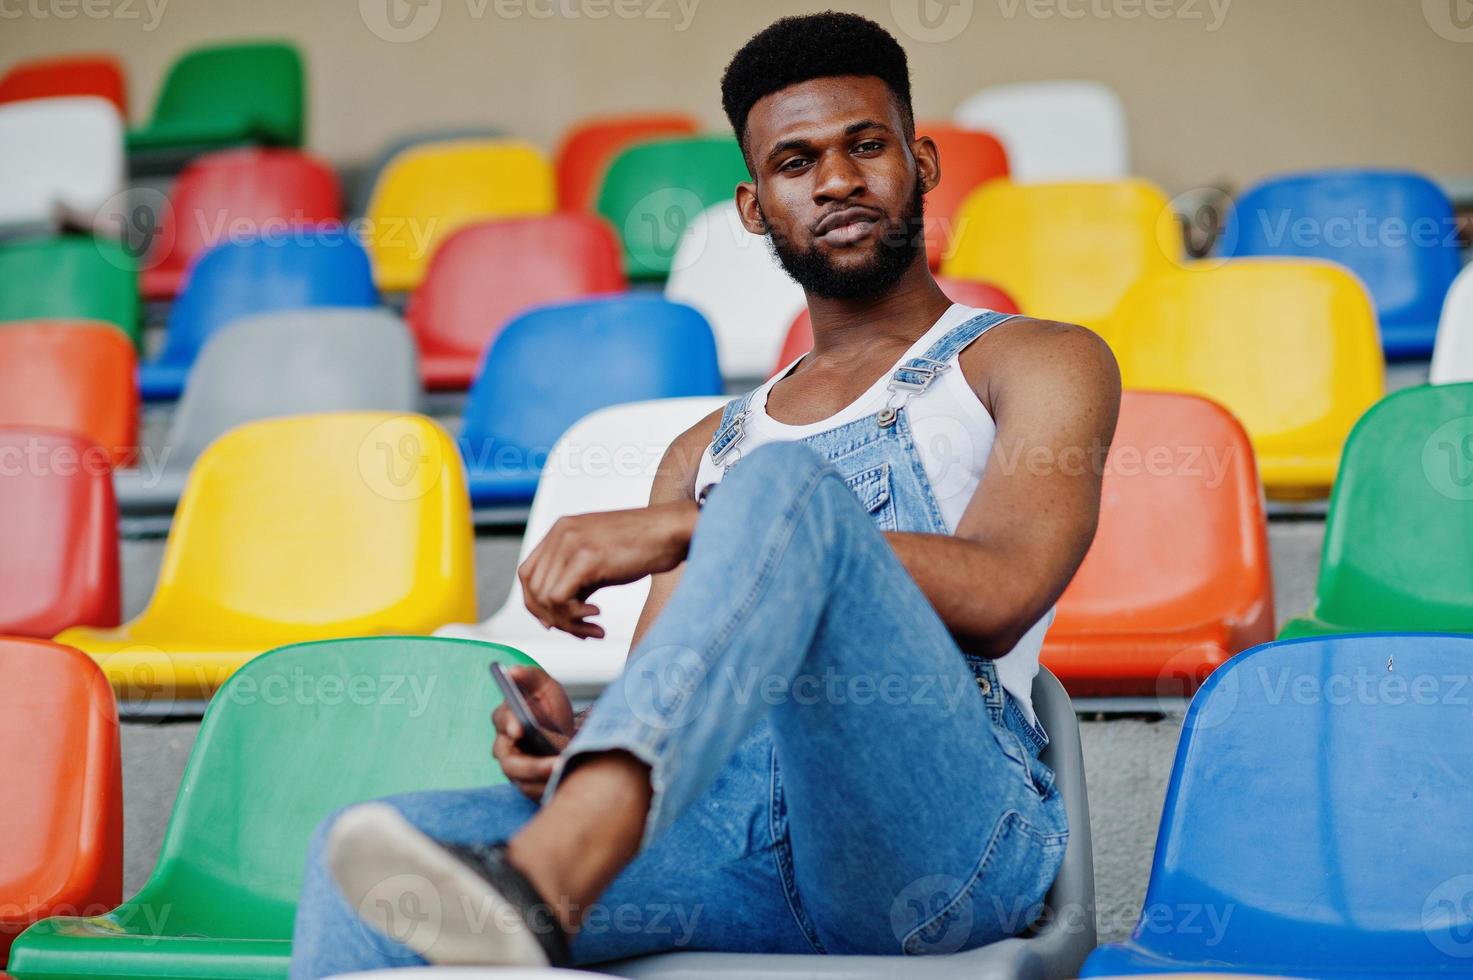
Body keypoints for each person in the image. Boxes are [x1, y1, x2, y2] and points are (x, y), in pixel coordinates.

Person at [289, 11, 1120, 975]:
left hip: (935, 841)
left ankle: (553, 873)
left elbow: (1006, 590)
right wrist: (575, 744)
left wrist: (696, 523)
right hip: (734, 844)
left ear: (922, 163)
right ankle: (555, 856)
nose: (839, 182)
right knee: (370, 858)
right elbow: (678, 699)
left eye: (865, 146)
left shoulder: (1032, 360)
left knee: (782, 491)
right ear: (754, 207)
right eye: (796, 163)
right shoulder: (705, 445)